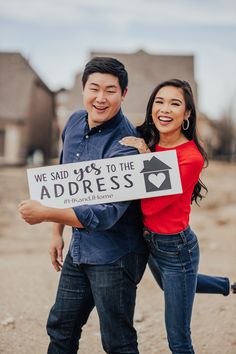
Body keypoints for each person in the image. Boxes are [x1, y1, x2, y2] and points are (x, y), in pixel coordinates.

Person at [18, 57, 148, 354]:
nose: (101, 98)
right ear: (83, 89)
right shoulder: (75, 121)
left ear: (124, 93)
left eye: (111, 90)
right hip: (80, 249)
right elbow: (64, 183)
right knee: (61, 328)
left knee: (118, 341)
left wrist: (45, 213)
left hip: (116, 255)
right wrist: (55, 233)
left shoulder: (126, 145)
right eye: (94, 88)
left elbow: (104, 215)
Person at [119, 79, 236, 354]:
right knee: (173, 286)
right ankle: (228, 286)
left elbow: (150, 206)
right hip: (148, 241)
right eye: (159, 101)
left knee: (178, 340)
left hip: (176, 249)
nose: (165, 109)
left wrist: (143, 156)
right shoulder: (147, 139)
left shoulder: (189, 158)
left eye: (175, 104)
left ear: (187, 114)